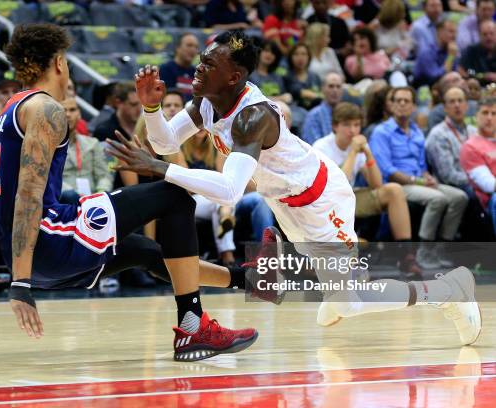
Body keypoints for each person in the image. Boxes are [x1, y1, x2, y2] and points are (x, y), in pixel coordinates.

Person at [109, 30, 481, 348]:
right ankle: (333, 281)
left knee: (347, 303)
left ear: (234, 76)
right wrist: (152, 108)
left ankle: (448, 291)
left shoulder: (252, 117)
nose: (198, 69)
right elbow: (164, 141)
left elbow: (228, 191)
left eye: (208, 65)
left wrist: (162, 169)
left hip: (321, 201)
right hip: (286, 202)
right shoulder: (207, 99)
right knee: (339, 294)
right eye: (202, 60)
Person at [0, 23, 258, 362]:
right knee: (175, 194)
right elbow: (28, 199)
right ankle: (193, 328)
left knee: (145, 251)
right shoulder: (45, 109)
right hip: (50, 241)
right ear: (60, 63)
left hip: (34, 259)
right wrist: (19, 284)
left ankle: (246, 279)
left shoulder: (0, 121)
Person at [313, 103, 419, 275]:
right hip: (327, 202)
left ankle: (405, 256)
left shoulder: (360, 147)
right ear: (335, 126)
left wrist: (368, 154)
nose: (352, 131)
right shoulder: (321, 147)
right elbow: (337, 185)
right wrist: (353, 152)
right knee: (340, 196)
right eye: (347, 125)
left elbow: (377, 184)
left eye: (356, 125)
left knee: (394, 190)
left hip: (350, 197)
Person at [369, 86, 469, 269]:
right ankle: (423, 251)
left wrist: (427, 178)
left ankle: (441, 248)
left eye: (406, 101)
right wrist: (419, 181)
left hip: (419, 181)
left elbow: (422, 167)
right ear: (390, 105)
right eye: (397, 100)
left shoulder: (417, 132)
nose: (401, 104)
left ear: (414, 106)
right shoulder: (381, 132)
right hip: (396, 187)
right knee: (438, 198)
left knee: (459, 197)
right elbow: (387, 170)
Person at [60, 96, 113, 205]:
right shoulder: (48, 146)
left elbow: (104, 176)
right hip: (64, 199)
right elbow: (50, 181)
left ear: (79, 114)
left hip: (93, 199)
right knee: (70, 196)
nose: (68, 114)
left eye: (72, 110)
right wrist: (77, 196)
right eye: (63, 110)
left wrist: (101, 193)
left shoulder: (92, 143)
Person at [425, 87, 475, 192]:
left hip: (477, 180)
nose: (457, 105)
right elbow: (447, 176)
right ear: (445, 108)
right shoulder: (438, 134)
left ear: (466, 106)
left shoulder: (474, 131)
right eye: (452, 102)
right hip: (454, 186)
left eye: (460, 101)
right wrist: (479, 180)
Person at [460, 97, 496, 235]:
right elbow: (488, 184)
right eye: (485, 113)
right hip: (490, 200)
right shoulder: (470, 146)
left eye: (494, 114)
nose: (489, 118)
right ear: (476, 116)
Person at [302, 72, 344, 144]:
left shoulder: (346, 114)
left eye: (338, 87)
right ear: (322, 89)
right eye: (331, 86)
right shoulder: (313, 116)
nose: (335, 90)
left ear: (342, 91)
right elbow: (315, 146)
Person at [413, 19, 458, 87]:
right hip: (425, 91)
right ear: (439, 32)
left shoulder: (451, 50)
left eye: (455, 32)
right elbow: (437, 78)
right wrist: (450, 57)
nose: (454, 35)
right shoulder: (426, 52)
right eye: (451, 32)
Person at [249, 39, 292, 104]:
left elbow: (286, 98)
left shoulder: (277, 77)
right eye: (266, 50)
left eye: (273, 53)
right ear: (259, 52)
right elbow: (253, 99)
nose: (269, 54)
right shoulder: (250, 75)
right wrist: (279, 98)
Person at [159, 33, 199, 101]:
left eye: (196, 47)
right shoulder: (166, 69)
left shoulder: (197, 72)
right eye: (189, 45)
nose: (193, 50)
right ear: (178, 48)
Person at [284, 43, 322, 110]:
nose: (300, 58)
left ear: (309, 57)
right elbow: (300, 92)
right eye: (296, 54)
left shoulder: (315, 76)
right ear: (290, 57)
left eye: (304, 54)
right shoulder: (287, 76)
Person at [459, 20, 496, 86]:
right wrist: (482, 75)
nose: (489, 37)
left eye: (491, 33)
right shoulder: (471, 50)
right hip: (476, 87)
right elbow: (467, 71)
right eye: (485, 34)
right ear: (479, 35)